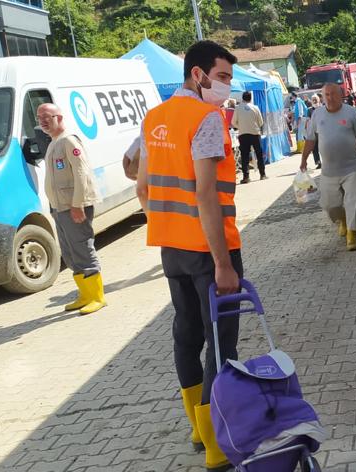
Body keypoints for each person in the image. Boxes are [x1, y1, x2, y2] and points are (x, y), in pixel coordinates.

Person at [135, 40, 243, 472]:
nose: (226, 88)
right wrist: (222, 263)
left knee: (187, 335)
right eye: (221, 77)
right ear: (197, 75)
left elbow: (142, 186)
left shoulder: (154, 118)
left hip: (171, 249)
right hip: (210, 250)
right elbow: (204, 194)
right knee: (221, 343)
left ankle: (199, 431)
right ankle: (218, 449)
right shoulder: (206, 118)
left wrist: (166, 225)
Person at [35, 103, 106, 315]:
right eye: (39, 118)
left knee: (82, 248)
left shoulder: (68, 141)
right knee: (70, 252)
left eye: (47, 117)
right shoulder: (53, 143)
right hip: (60, 207)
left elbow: (81, 173)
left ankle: (97, 297)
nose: (42, 121)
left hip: (73, 206)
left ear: (59, 117)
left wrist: (77, 204)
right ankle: (84, 294)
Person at [300, 83, 356, 251]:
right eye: (326, 95)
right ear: (322, 97)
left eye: (333, 94)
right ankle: (342, 220)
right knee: (329, 204)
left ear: (341, 95)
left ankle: (352, 231)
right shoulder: (317, 115)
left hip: (353, 167)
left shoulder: (351, 112)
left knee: (353, 200)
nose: (330, 98)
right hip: (329, 171)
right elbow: (310, 140)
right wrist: (304, 159)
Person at [232, 91, 267, 183]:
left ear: (243, 98)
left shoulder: (238, 108)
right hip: (255, 133)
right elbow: (261, 122)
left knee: (244, 156)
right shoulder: (255, 108)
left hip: (243, 134)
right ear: (250, 98)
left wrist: (241, 127)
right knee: (259, 154)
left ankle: (246, 177)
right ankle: (262, 174)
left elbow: (233, 122)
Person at [307, 95, 322, 169]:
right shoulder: (309, 110)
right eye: (313, 99)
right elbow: (308, 120)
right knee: (314, 147)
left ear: (319, 100)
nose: (314, 101)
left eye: (316, 99)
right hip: (314, 131)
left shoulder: (323, 108)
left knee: (323, 147)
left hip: (322, 131)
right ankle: (318, 162)